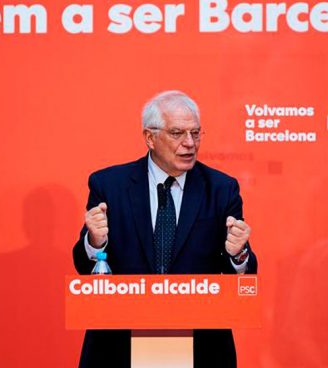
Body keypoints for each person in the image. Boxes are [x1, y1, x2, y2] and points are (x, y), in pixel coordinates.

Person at [72, 90, 258, 368]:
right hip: (120, 343)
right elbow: (83, 265)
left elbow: (243, 274)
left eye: (195, 133)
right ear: (150, 137)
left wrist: (237, 253)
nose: (189, 143)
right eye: (177, 133)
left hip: (200, 344)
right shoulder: (109, 185)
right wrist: (95, 242)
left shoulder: (221, 189)